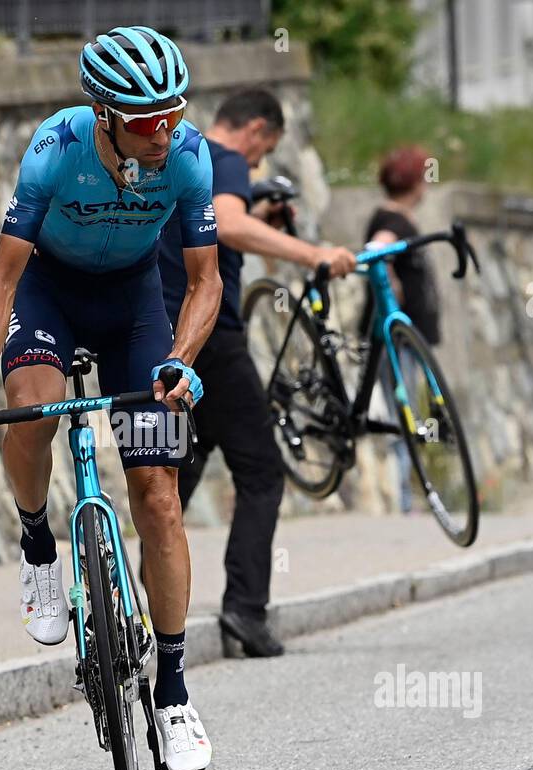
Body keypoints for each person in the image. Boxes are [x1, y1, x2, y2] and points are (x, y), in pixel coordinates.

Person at [0, 27, 221, 770]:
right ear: (104, 115)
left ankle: (172, 690)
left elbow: (204, 282)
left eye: (173, 114)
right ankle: (37, 546)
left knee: (158, 497)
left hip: (134, 304)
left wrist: (179, 362)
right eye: (143, 121)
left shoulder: (188, 154)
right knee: (29, 410)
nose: (162, 134)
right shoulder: (55, 147)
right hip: (50, 293)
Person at [158, 89, 356, 658]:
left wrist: (257, 217)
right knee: (262, 473)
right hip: (211, 336)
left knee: (182, 471)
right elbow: (226, 223)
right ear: (255, 131)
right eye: (262, 152)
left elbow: (211, 223)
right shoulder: (225, 161)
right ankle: (246, 611)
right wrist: (311, 252)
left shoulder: (182, 155)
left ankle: (150, 601)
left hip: (166, 333)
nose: (257, 164)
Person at [362, 145, 441, 513]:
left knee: (405, 410)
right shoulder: (393, 222)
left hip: (405, 339)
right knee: (404, 413)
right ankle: (405, 504)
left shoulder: (394, 216)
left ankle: (408, 496)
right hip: (398, 340)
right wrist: (389, 282)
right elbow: (377, 248)